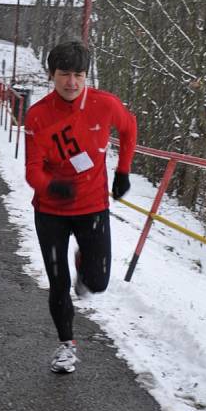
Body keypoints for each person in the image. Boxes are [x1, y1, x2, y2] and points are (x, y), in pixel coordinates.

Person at [25, 40, 137, 374]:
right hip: (51, 212)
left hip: (92, 208)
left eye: (78, 74)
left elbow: (130, 130)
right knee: (58, 283)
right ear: (52, 75)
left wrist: (123, 172)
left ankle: (84, 264)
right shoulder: (38, 115)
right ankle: (66, 347)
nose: (71, 82)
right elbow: (32, 170)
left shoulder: (105, 105)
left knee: (98, 283)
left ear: (86, 76)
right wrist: (50, 185)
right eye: (64, 74)